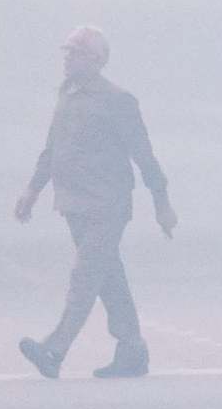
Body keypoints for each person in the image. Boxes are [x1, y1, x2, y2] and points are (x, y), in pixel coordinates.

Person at [15, 26, 176, 379]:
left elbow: (144, 156)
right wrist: (32, 191)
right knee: (108, 278)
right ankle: (132, 349)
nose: (68, 58)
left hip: (107, 205)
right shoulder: (68, 96)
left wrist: (161, 202)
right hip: (74, 205)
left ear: (98, 60)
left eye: (76, 52)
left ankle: (54, 350)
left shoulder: (117, 101)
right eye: (66, 51)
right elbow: (52, 150)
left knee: (85, 277)